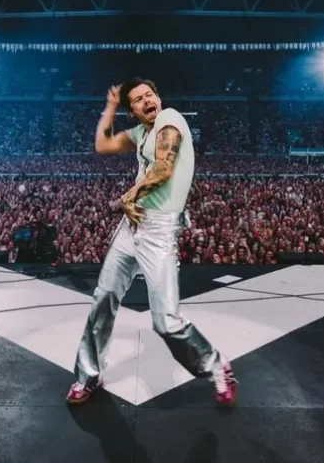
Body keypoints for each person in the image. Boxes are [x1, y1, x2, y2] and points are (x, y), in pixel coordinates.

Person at [66, 78, 237, 406]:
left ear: (158, 98)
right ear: (132, 110)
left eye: (150, 95)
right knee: (103, 298)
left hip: (159, 231)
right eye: (138, 99)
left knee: (166, 322)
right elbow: (102, 145)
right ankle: (88, 376)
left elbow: (163, 168)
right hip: (131, 226)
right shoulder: (139, 133)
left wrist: (127, 196)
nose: (147, 101)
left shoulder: (170, 118)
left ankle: (216, 364)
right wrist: (110, 107)